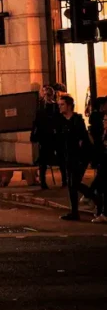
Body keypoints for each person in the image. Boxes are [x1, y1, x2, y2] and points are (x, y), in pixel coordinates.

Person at [57, 93, 92, 221]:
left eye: (62, 105)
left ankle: (93, 196)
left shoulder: (77, 120)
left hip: (79, 157)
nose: (60, 107)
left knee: (75, 183)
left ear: (69, 106)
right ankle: (74, 212)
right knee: (71, 185)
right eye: (59, 105)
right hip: (68, 156)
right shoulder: (60, 121)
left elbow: (82, 139)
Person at [31, 85, 62, 189]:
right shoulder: (40, 107)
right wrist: (34, 135)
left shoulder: (55, 106)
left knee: (61, 158)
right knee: (43, 160)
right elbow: (36, 122)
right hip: (44, 136)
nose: (46, 96)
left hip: (54, 135)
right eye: (45, 94)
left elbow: (58, 120)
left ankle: (65, 180)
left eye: (48, 94)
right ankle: (43, 182)